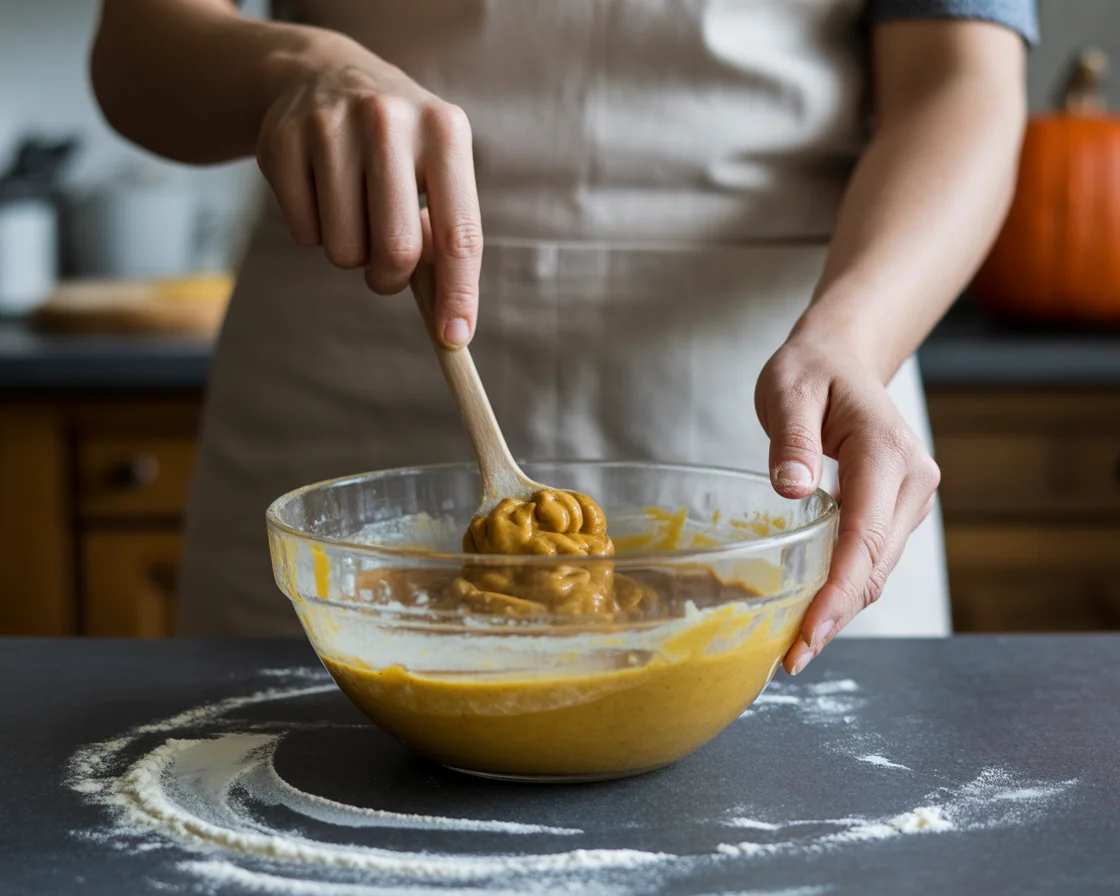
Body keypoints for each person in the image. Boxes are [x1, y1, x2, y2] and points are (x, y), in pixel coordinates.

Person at [91, 0, 1036, 674]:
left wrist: (857, 338)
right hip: (347, 345)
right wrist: (295, 70)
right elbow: (139, 44)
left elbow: (960, 82)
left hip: (769, 379)